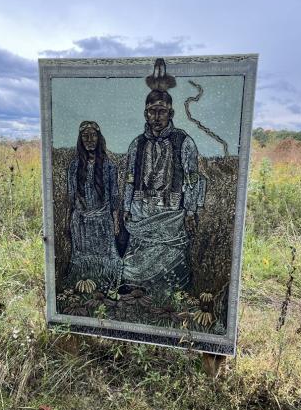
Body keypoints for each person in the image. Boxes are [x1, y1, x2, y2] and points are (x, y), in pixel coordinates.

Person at [122, 60, 206, 292]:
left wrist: (190, 210)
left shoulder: (184, 141)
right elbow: (130, 177)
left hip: (171, 211)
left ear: (171, 112)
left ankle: (169, 297)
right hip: (142, 209)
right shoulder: (136, 144)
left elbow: (192, 178)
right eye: (152, 111)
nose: (157, 116)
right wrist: (127, 206)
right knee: (138, 256)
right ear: (145, 113)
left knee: (170, 257)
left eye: (162, 111)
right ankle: (137, 295)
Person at [66, 121, 122, 288]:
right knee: (82, 258)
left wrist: (116, 221)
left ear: (99, 138)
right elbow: (71, 198)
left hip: (103, 221)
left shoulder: (109, 166)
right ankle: (84, 288)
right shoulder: (74, 166)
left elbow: (114, 196)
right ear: (80, 140)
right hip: (81, 222)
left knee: (107, 257)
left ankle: (107, 288)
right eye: (85, 136)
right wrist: (68, 221)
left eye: (93, 135)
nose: (90, 139)